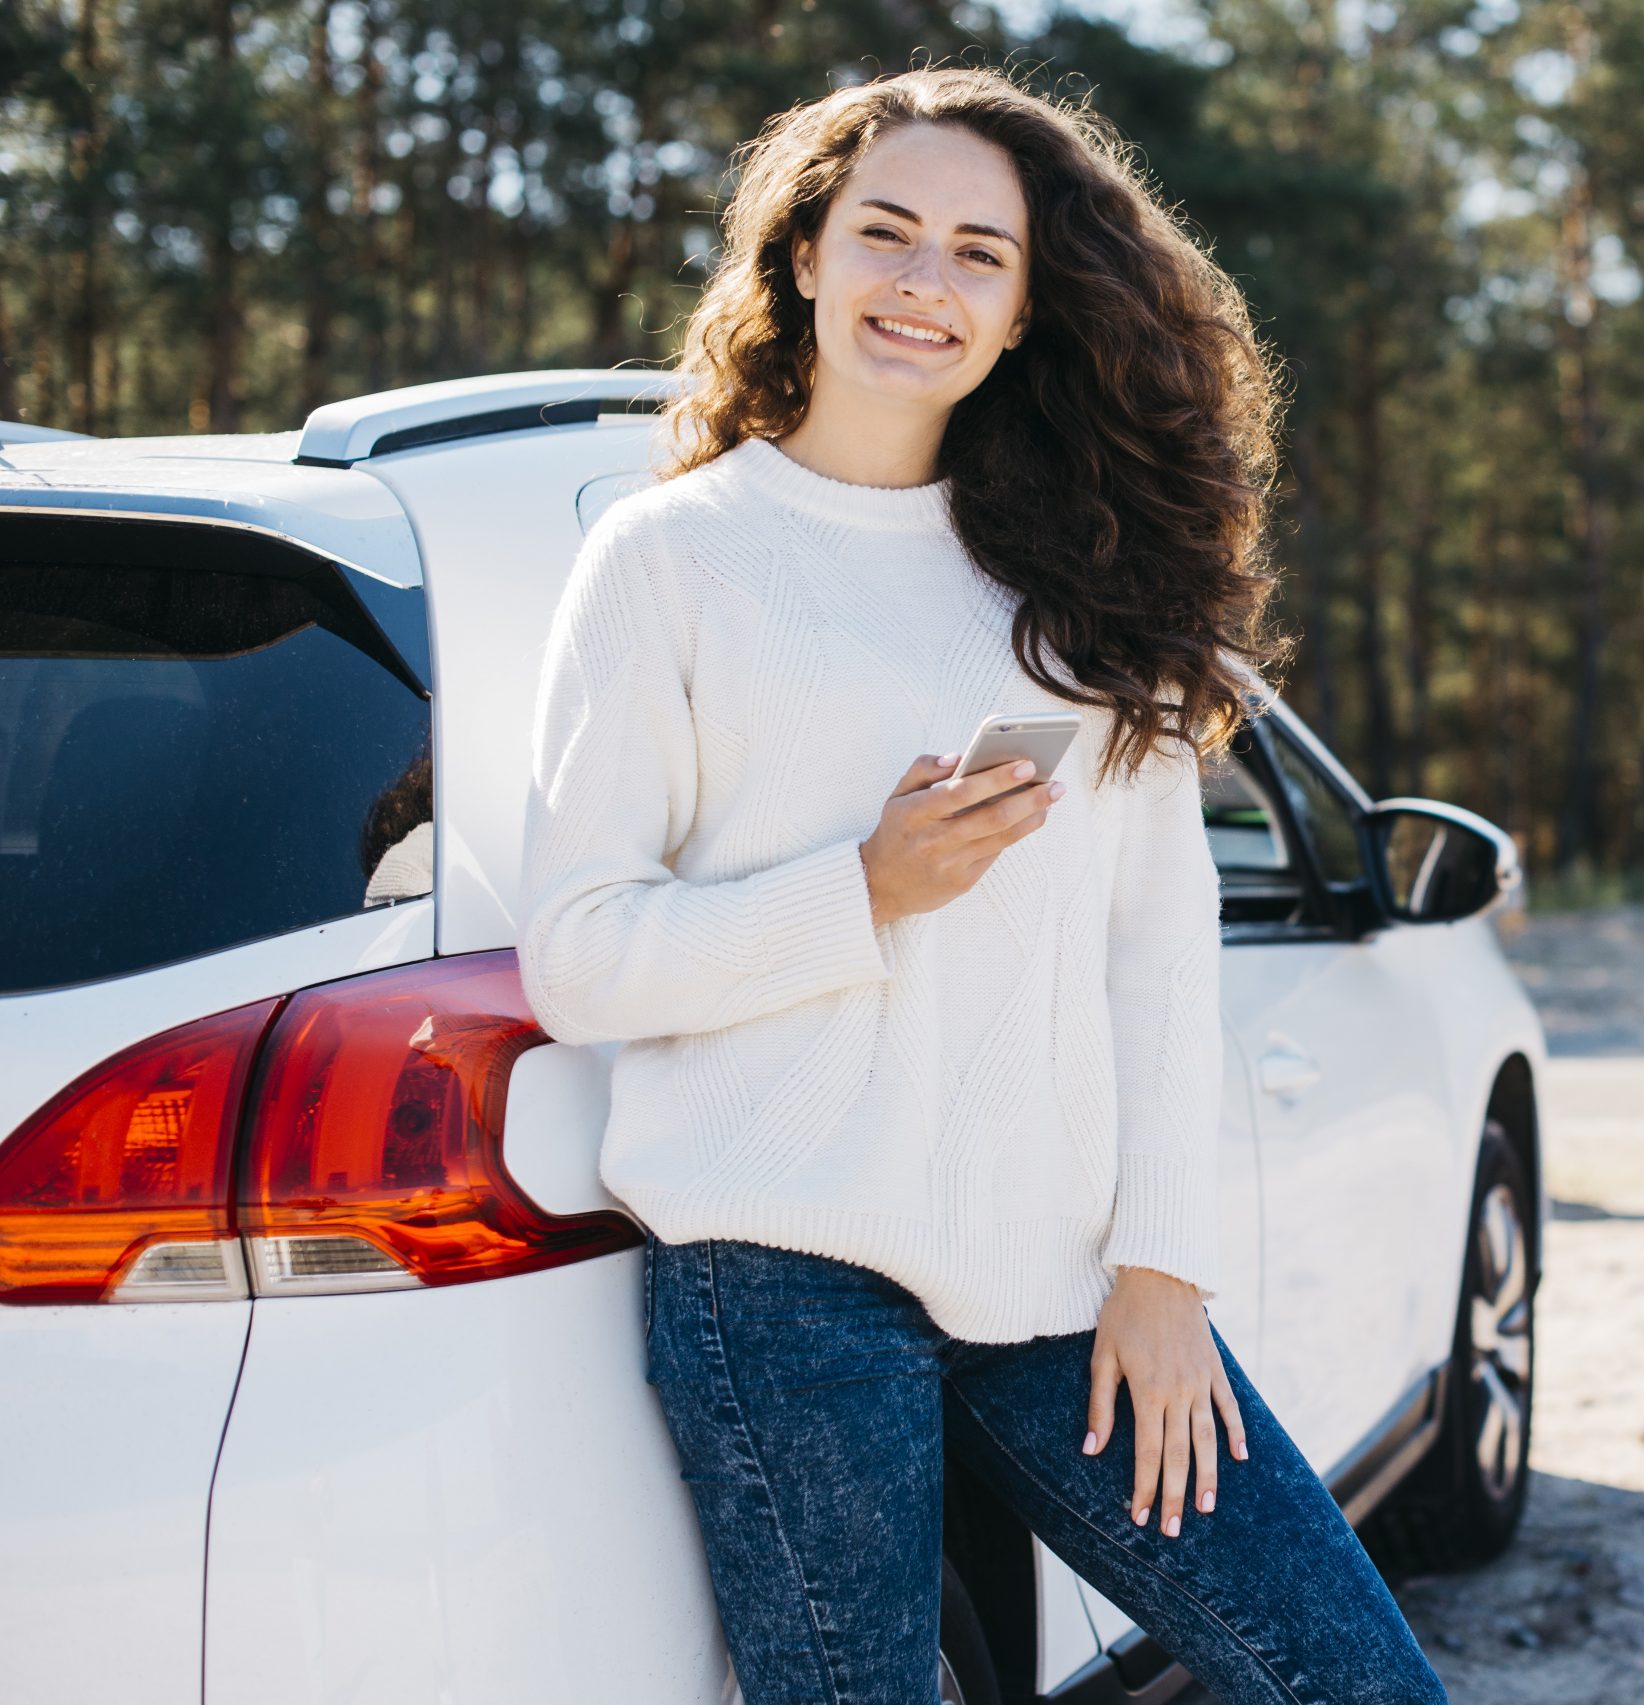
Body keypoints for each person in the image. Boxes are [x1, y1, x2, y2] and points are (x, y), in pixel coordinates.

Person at [515, 63, 1449, 1705]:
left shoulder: (1082, 584)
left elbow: (1160, 954)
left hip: (1062, 1274)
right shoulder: (666, 559)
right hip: (776, 1269)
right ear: (805, 255)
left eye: (977, 253)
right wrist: (865, 887)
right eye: (885, 231)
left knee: (1357, 1681)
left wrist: (1163, 1269)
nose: (922, 282)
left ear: (1023, 314)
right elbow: (580, 959)